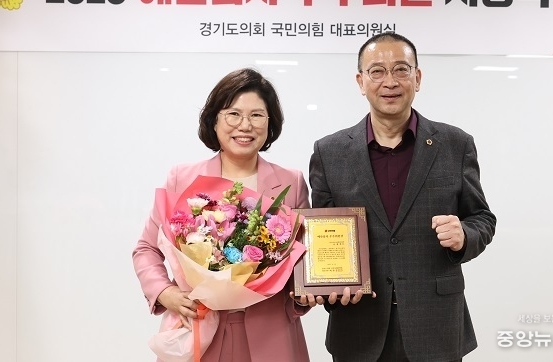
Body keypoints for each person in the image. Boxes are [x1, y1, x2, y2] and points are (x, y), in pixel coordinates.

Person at [309, 32, 497, 362]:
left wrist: (464, 235)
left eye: (401, 69)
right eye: (377, 71)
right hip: (358, 326)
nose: (390, 81)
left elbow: (482, 218)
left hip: (436, 324)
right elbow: (323, 235)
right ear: (361, 81)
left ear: (417, 78)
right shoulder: (330, 152)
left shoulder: (455, 144)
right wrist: (329, 286)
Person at [133, 68, 318, 362]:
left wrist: (308, 293)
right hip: (199, 327)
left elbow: (304, 259)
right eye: (233, 114)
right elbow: (146, 249)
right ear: (214, 120)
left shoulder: (291, 182)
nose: (245, 125)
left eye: (257, 115)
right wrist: (164, 292)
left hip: (271, 333)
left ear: (270, 123)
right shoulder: (182, 178)